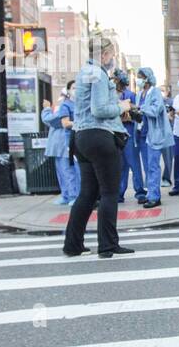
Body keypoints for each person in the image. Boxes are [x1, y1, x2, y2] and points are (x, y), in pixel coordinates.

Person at [64, 39, 134, 259]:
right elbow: (100, 109)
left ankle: (73, 245)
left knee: (87, 193)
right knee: (109, 192)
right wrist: (122, 106)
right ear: (104, 54)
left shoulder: (84, 71)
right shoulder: (99, 73)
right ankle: (108, 245)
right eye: (111, 54)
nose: (112, 59)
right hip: (100, 136)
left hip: (81, 137)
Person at [136, 67, 170, 209]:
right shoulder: (140, 94)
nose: (138, 80)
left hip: (153, 134)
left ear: (147, 78)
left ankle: (155, 197)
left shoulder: (155, 92)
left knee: (153, 166)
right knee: (147, 166)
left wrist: (140, 108)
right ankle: (150, 193)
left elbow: (156, 110)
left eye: (140, 77)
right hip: (141, 134)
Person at [40, 81, 78, 205]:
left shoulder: (66, 107)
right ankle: (66, 195)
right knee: (62, 171)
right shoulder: (64, 106)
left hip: (65, 143)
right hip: (58, 145)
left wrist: (46, 109)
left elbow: (49, 120)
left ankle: (73, 195)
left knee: (68, 171)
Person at [116, 70, 147, 204]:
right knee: (120, 165)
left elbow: (136, 114)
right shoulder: (110, 95)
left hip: (128, 132)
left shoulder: (130, 95)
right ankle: (119, 193)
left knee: (134, 163)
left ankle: (139, 191)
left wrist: (125, 114)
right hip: (116, 133)